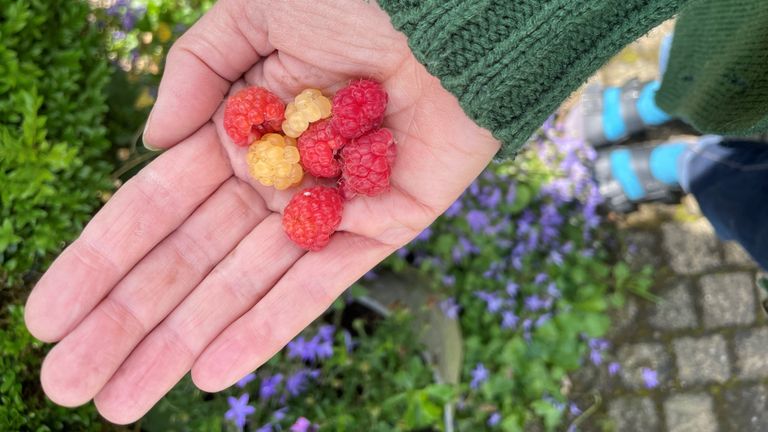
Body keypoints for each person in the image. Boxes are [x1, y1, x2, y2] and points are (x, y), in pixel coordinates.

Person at [23, 0, 767, 424]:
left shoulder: (335, 143)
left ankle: (684, 157)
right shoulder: (315, 137)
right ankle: (679, 128)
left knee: (738, 165)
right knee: (702, 83)